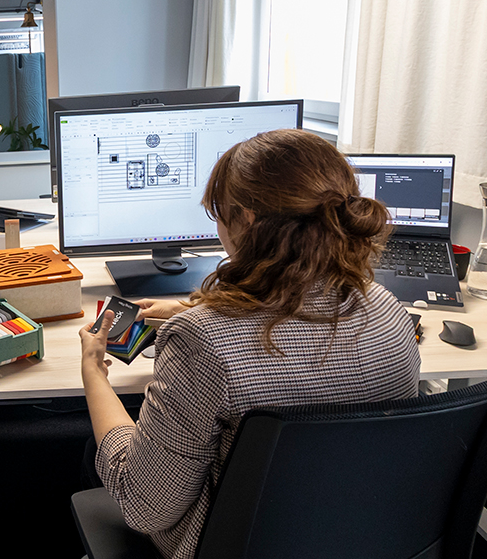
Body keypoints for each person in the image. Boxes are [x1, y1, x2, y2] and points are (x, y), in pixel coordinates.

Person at [79, 128, 422, 559]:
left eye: (218, 213)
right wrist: (197, 313)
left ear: (245, 219)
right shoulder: (386, 309)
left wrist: (93, 373)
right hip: (361, 538)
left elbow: (146, 508)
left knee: (98, 446)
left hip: (234, 546)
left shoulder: (202, 341)